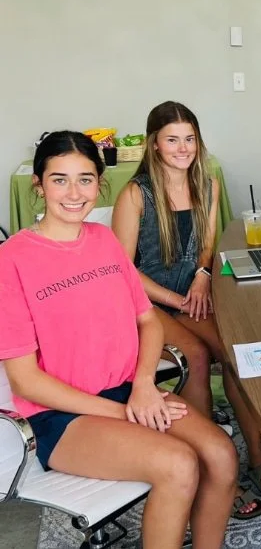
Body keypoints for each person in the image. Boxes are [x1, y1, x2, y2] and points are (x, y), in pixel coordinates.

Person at [0, 131, 238, 549]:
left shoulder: (104, 241)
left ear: (100, 184)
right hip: (60, 415)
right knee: (178, 464)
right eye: (59, 179)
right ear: (38, 185)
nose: (74, 192)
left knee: (220, 455)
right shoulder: (12, 260)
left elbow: (149, 321)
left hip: (128, 391)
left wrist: (144, 386)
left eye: (85, 179)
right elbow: (26, 382)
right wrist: (121, 411)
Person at [112, 102, 261, 520]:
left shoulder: (207, 185)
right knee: (193, 356)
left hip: (191, 293)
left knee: (236, 352)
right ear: (155, 145)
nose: (183, 148)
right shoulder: (135, 193)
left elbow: (207, 246)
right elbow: (122, 270)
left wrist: (203, 275)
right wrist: (177, 300)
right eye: (172, 139)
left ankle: (257, 460)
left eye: (189, 139)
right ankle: (214, 467)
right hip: (145, 301)